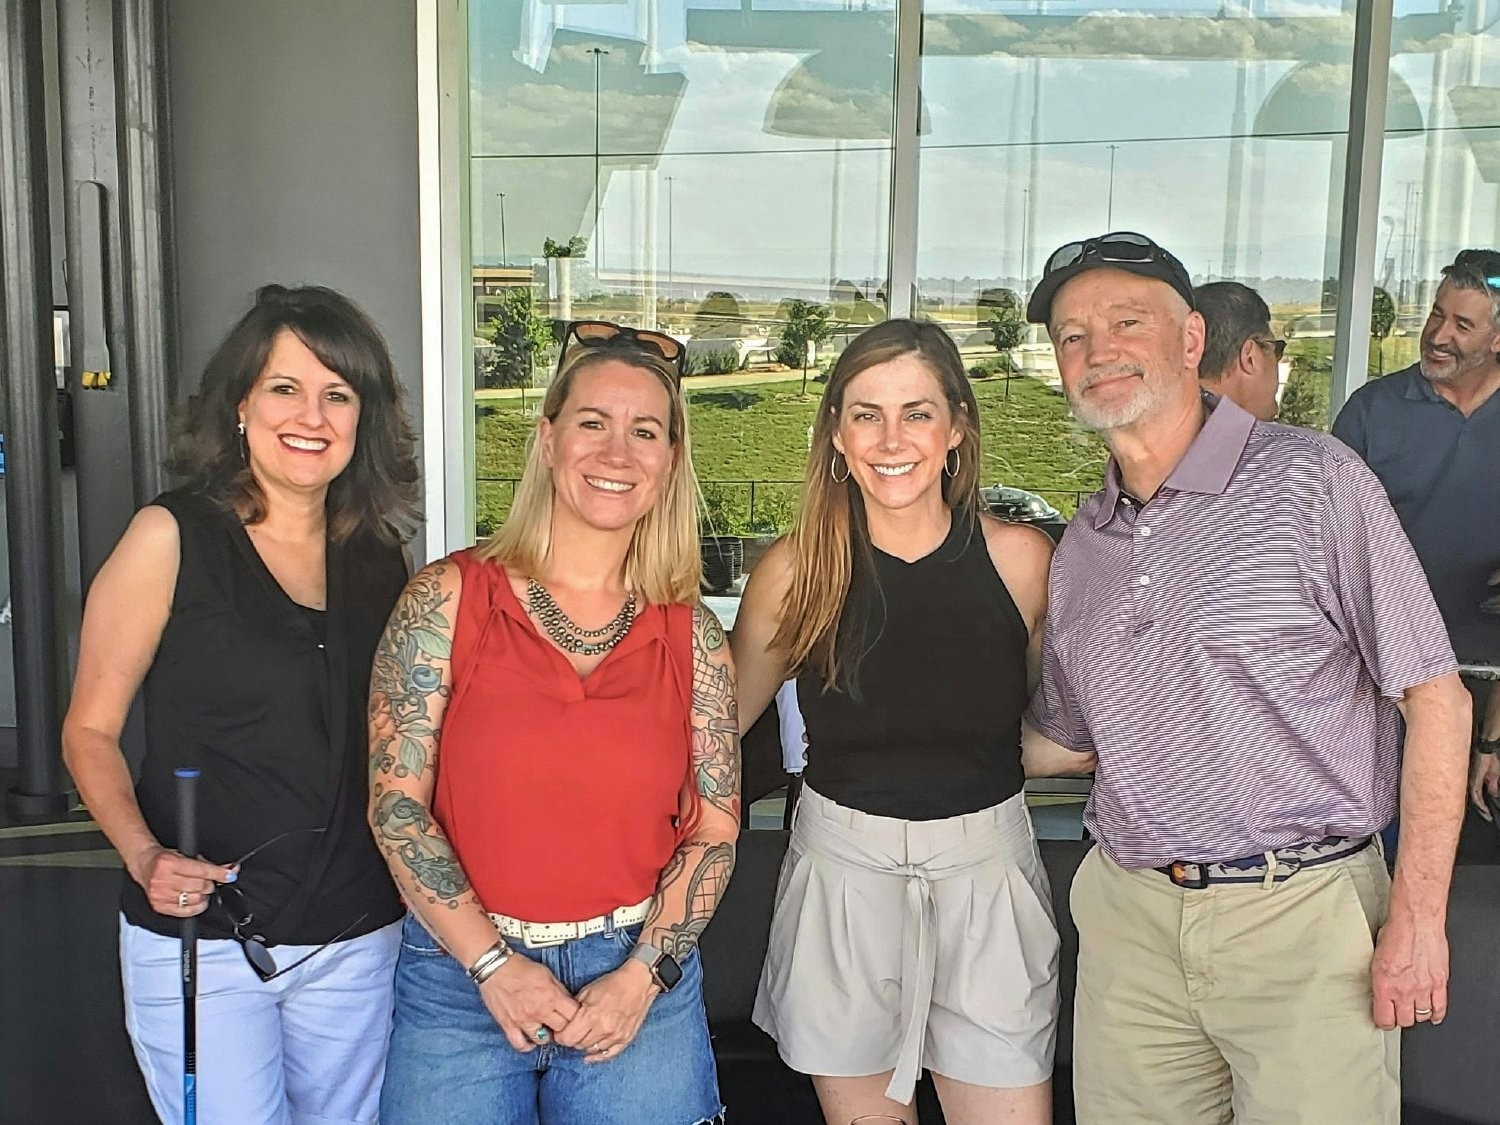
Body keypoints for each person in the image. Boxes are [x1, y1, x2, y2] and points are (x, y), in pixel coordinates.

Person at [1022, 231, 1471, 1124]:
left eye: (1124, 322)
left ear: (1192, 340)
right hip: (1133, 925)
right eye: (1072, 336)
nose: (1097, 351)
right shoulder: (1084, 546)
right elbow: (1063, 745)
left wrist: (1418, 919)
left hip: (1303, 918)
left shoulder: (1313, 481)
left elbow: (1436, 698)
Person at [61, 284, 421, 1124]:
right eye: (285, 388)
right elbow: (88, 729)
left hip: (356, 934)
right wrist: (145, 854)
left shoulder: (378, 555)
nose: (313, 415)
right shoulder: (170, 537)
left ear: (363, 418)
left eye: (339, 394)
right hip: (206, 940)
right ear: (239, 405)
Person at [371, 320, 739, 1125]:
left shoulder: (693, 633)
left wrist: (643, 974)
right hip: (459, 972)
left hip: (635, 972)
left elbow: (714, 829)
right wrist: (491, 962)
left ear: (670, 459)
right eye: (592, 423)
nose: (618, 452)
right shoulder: (447, 598)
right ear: (547, 439)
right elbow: (396, 803)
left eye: (645, 430)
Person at [731, 317, 1088, 1125]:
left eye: (917, 412)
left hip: (988, 875)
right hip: (841, 879)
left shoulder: (1021, 561)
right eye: (866, 413)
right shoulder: (795, 572)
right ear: (836, 432)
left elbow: (1049, 723)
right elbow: (710, 733)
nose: (892, 439)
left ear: (957, 425)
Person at [1332, 249, 1500, 820]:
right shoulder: (1372, 411)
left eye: (1462, 324)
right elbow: (1327, 544)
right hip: (1379, 675)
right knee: (1383, 834)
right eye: (1436, 314)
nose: (1438, 334)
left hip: (1485, 674)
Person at [1193, 280, 1284, 421]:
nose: (1279, 360)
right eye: (1277, 349)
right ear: (1250, 358)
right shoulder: (1305, 443)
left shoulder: (1159, 430)